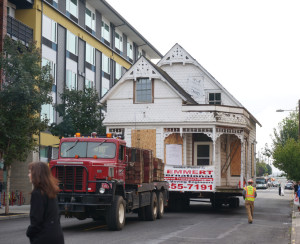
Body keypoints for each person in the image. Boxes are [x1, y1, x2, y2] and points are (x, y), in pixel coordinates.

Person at [26, 162, 64, 244]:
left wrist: (29, 232)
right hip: (57, 236)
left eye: (29, 172)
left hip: (43, 238)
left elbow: (36, 221)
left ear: (36, 174)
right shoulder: (51, 191)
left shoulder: (37, 193)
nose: (28, 175)